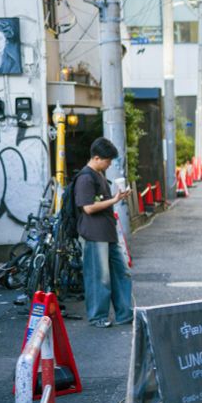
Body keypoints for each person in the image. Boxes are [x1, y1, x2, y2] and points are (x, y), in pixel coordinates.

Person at [74, 137, 133, 327]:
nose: (109, 164)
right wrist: (115, 200)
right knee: (100, 278)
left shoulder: (98, 175)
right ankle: (97, 317)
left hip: (107, 233)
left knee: (121, 272)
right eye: (107, 160)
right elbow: (88, 208)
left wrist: (117, 196)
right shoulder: (85, 177)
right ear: (97, 158)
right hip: (94, 234)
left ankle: (125, 314)